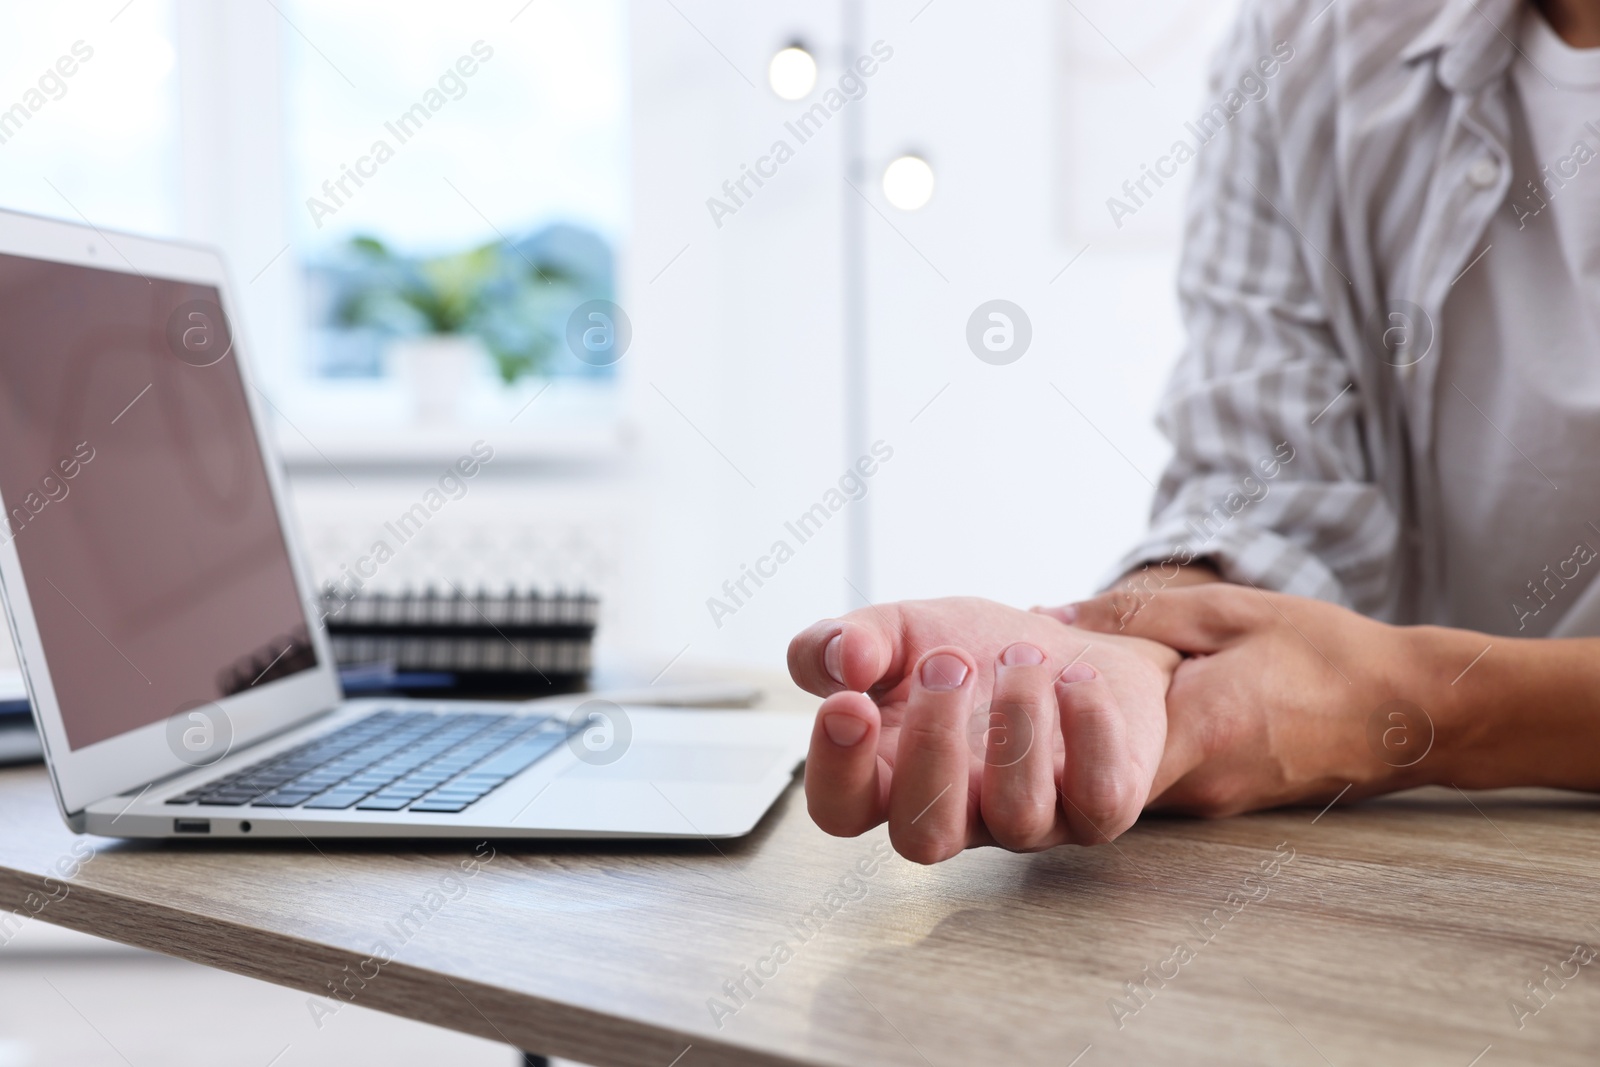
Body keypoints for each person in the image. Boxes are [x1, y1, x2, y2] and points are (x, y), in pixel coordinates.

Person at [788, 0, 1600, 864]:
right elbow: (1266, 483)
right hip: (1420, 872)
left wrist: (1409, 707)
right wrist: (1121, 655)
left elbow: (1378, 704)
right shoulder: (1302, 41)